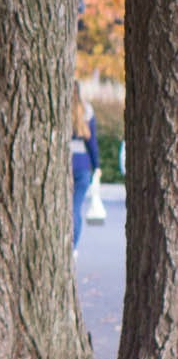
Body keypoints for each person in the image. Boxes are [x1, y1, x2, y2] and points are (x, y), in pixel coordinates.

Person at [71, 77, 99, 249]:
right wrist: (97, 166)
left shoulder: (59, 109)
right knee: (75, 209)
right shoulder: (86, 110)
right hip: (83, 167)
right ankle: (72, 248)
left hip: (65, 166)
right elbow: (92, 143)